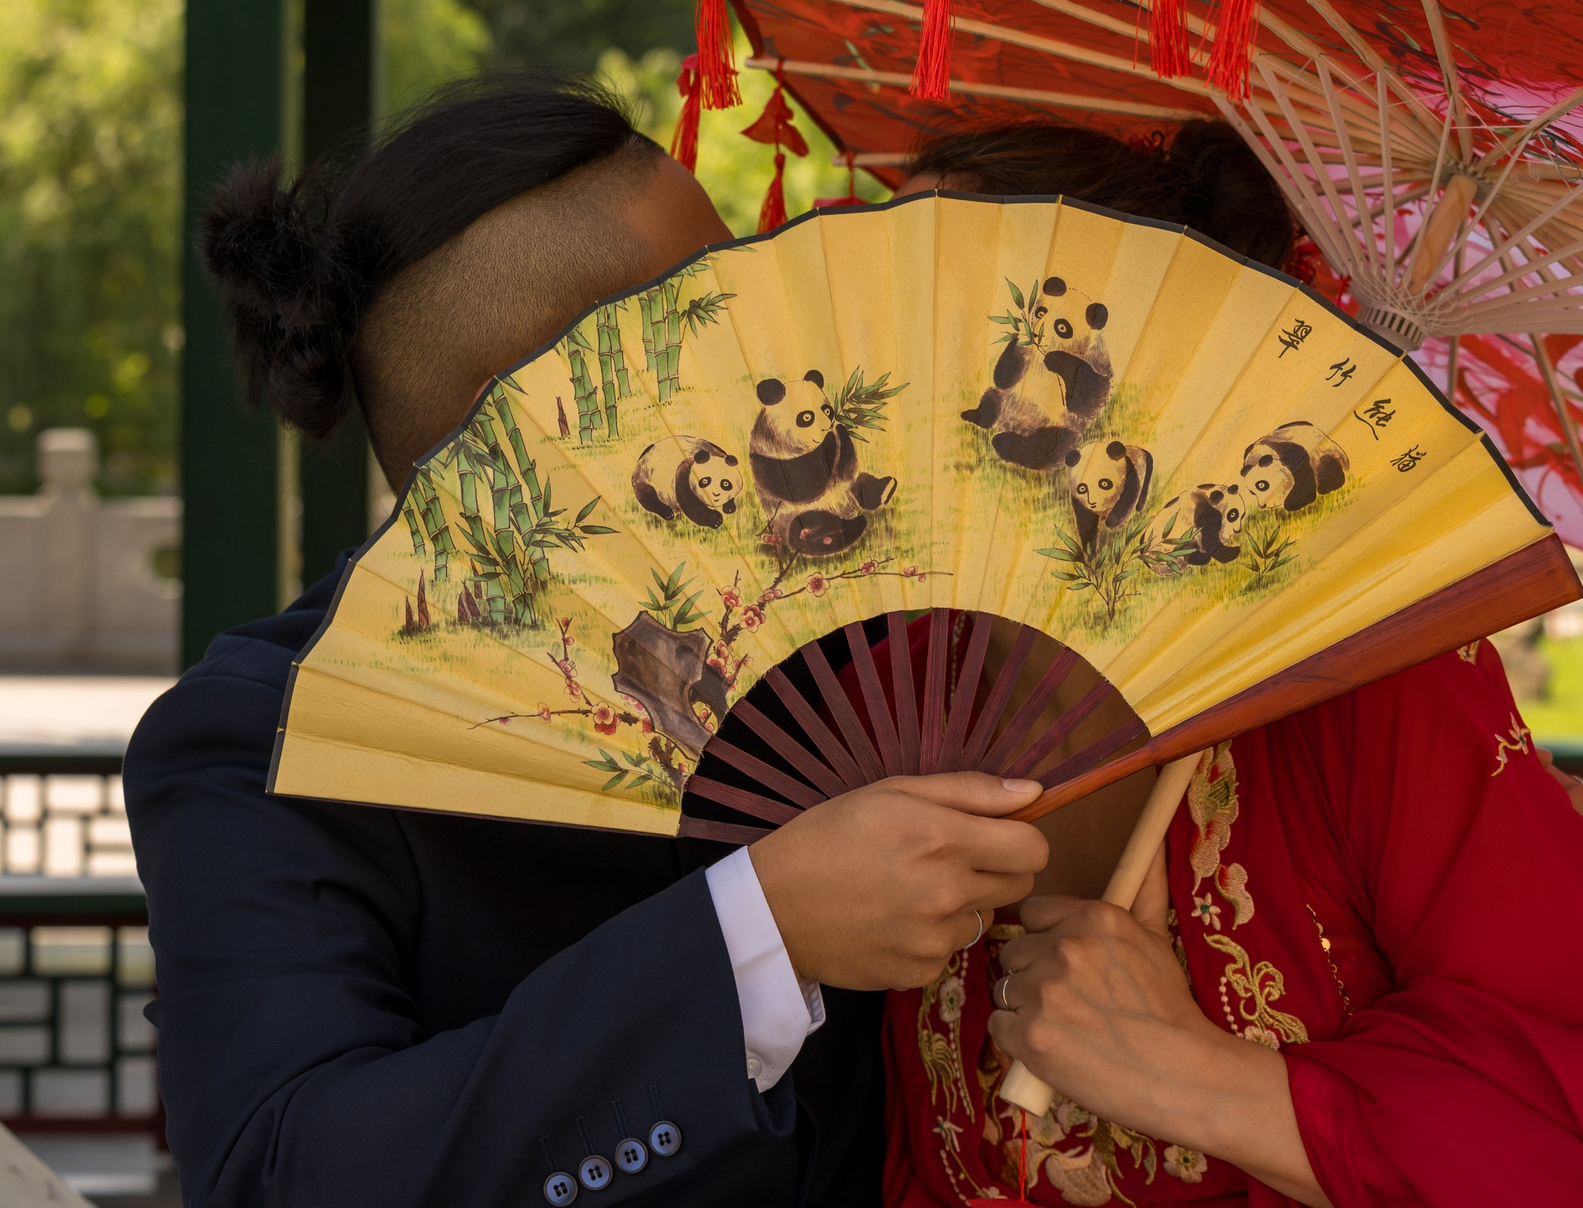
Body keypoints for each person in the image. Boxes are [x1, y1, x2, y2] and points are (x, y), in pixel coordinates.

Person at [128, 71, 1056, 1208]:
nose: (787, 359)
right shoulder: (262, 742)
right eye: (729, 321)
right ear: (540, 418)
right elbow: (289, 1172)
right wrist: (755, 935)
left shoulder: (841, 634)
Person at [883, 116, 1583, 1208]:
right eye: (876, 302)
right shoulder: (878, 692)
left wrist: (1210, 1084)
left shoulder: (1370, 683)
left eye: (969, 324)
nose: (897, 374)